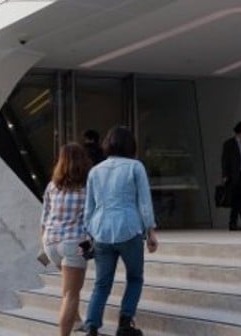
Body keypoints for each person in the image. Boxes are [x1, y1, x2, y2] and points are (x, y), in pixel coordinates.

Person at [83, 125, 159, 336]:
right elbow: (144, 202)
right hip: (129, 228)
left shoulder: (95, 171)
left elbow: (88, 208)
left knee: (101, 283)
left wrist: (89, 234)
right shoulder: (136, 167)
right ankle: (125, 324)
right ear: (130, 145)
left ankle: (92, 327)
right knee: (135, 278)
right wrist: (150, 231)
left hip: (101, 231)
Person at [41, 143, 92, 336]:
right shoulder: (87, 187)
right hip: (74, 243)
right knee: (71, 294)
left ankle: (77, 320)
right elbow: (91, 217)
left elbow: (44, 218)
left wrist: (45, 245)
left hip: (51, 243)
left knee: (68, 291)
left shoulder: (52, 186)